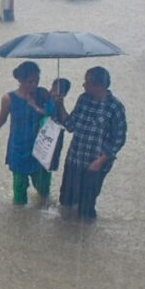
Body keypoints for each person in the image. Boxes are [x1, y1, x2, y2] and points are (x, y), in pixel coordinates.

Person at [54, 67, 127, 220]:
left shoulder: (115, 107)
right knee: (66, 202)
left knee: (86, 209)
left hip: (95, 165)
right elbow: (70, 125)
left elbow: (119, 140)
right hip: (74, 159)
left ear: (99, 86)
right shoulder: (83, 99)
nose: (83, 85)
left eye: (87, 83)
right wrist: (60, 105)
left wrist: (100, 161)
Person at [0, 61, 53, 205]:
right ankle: (19, 220)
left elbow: (53, 114)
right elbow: (2, 119)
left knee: (43, 188)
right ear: (20, 80)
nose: (34, 84)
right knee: (19, 190)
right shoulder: (9, 99)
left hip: (40, 148)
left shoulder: (42, 94)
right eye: (30, 81)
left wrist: (51, 101)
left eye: (37, 80)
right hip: (18, 147)